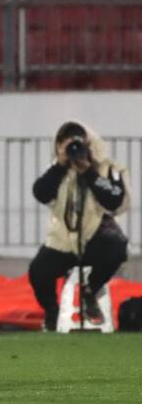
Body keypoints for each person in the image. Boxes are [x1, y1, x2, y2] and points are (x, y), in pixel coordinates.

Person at [29, 121, 129, 331]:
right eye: (66, 142)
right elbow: (40, 193)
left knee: (117, 249)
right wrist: (60, 165)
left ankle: (90, 290)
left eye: (78, 140)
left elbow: (115, 200)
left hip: (97, 236)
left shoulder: (108, 168)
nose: (73, 147)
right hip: (64, 239)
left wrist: (89, 172)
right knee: (38, 272)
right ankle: (52, 312)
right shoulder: (56, 169)